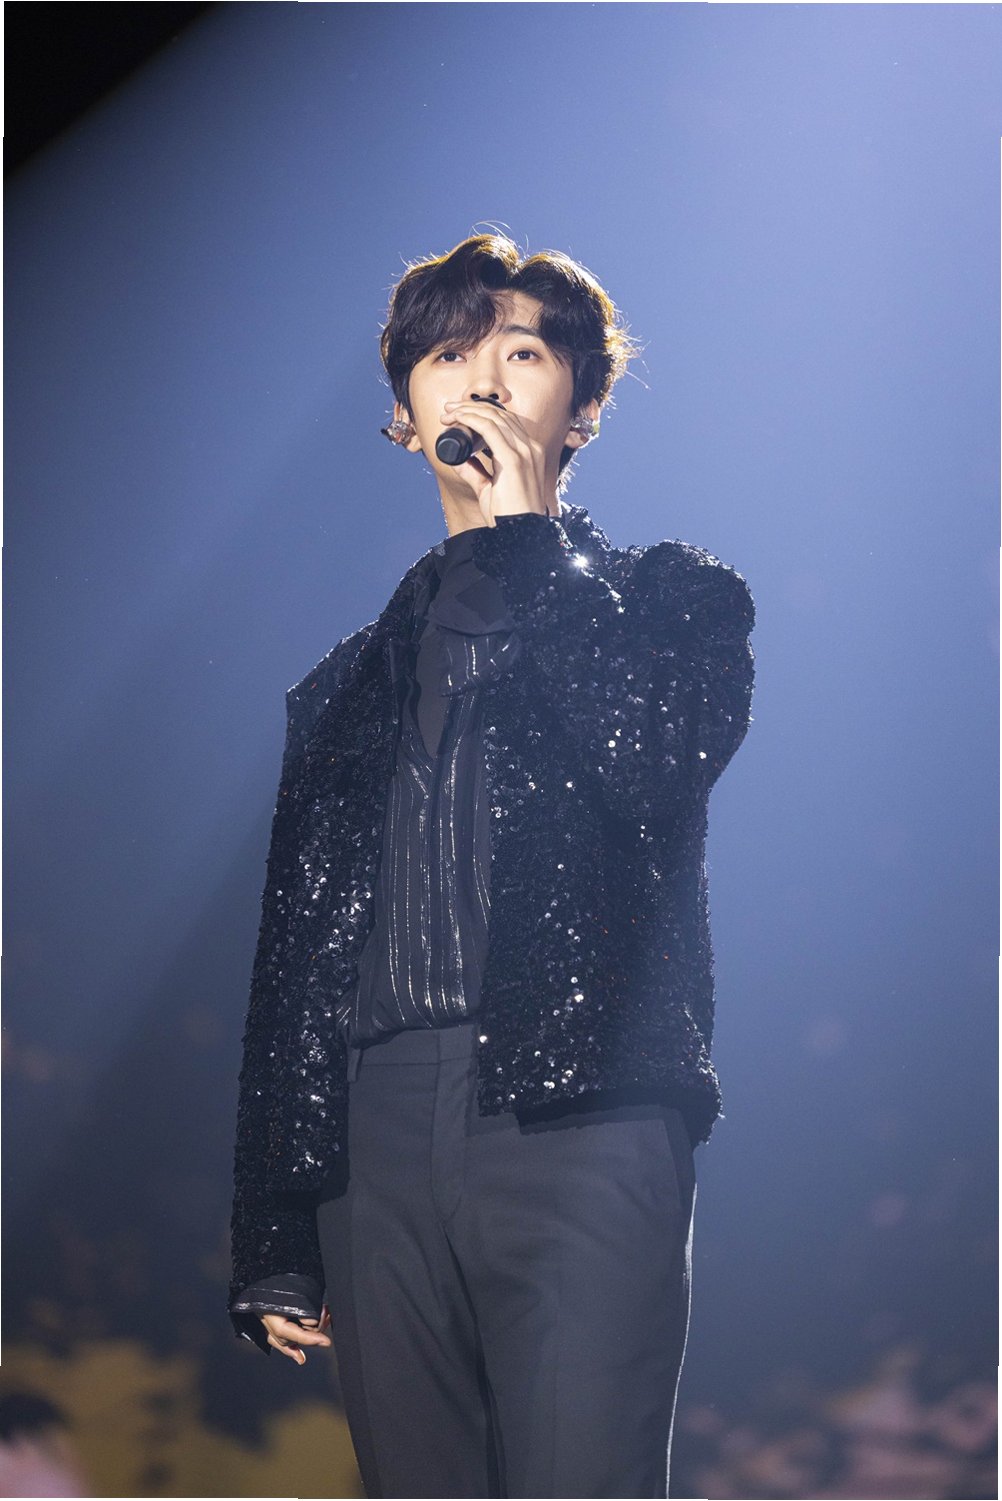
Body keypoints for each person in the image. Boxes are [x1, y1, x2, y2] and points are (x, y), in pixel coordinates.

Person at [228, 231, 755, 1499]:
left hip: (583, 1113)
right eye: (448, 352)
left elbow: (654, 760)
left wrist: (527, 545)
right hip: (377, 1139)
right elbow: (296, 962)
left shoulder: (672, 600)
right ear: (404, 415)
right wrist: (276, 1225)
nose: (480, 377)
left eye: (521, 352)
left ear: (582, 409)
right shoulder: (343, 687)